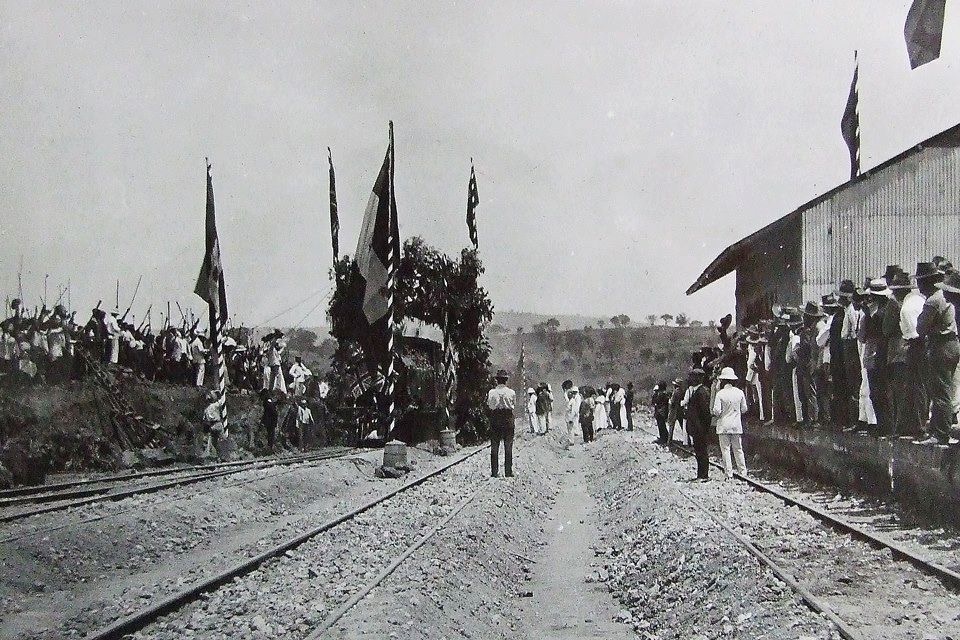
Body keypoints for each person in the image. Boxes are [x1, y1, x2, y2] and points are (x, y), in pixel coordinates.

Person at [918, 267, 958, 445]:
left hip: (940, 345)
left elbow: (921, 328)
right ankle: (939, 429)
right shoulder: (948, 302)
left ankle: (940, 433)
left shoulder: (933, 301)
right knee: (945, 389)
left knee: (939, 391)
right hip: (952, 344)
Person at [900, 263, 930, 438]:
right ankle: (919, 422)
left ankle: (919, 425)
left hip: (915, 345)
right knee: (921, 387)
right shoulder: (919, 300)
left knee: (916, 387)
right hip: (922, 345)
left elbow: (915, 332)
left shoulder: (907, 307)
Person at [711, 367, 749, 479]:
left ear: (723, 380)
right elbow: (744, 409)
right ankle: (743, 472)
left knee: (726, 450)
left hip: (723, 425)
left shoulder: (720, 394)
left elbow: (716, 411)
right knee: (738, 449)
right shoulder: (740, 392)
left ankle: (729, 473)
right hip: (736, 425)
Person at [684, 368, 712, 481]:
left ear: (699, 378)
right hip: (697, 427)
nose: (691, 379)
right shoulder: (697, 391)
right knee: (699, 451)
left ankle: (703, 475)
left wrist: (704, 428)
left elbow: (705, 412)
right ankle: (701, 474)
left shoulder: (702, 392)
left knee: (702, 451)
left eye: (693, 376)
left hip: (700, 427)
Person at [486, 369, 516, 477]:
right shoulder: (512, 392)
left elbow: (489, 405)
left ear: (497, 380)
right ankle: (508, 471)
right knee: (508, 445)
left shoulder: (491, 392)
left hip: (495, 418)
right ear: (506, 380)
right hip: (508, 418)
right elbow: (514, 404)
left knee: (494, 446)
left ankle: (494, 472)